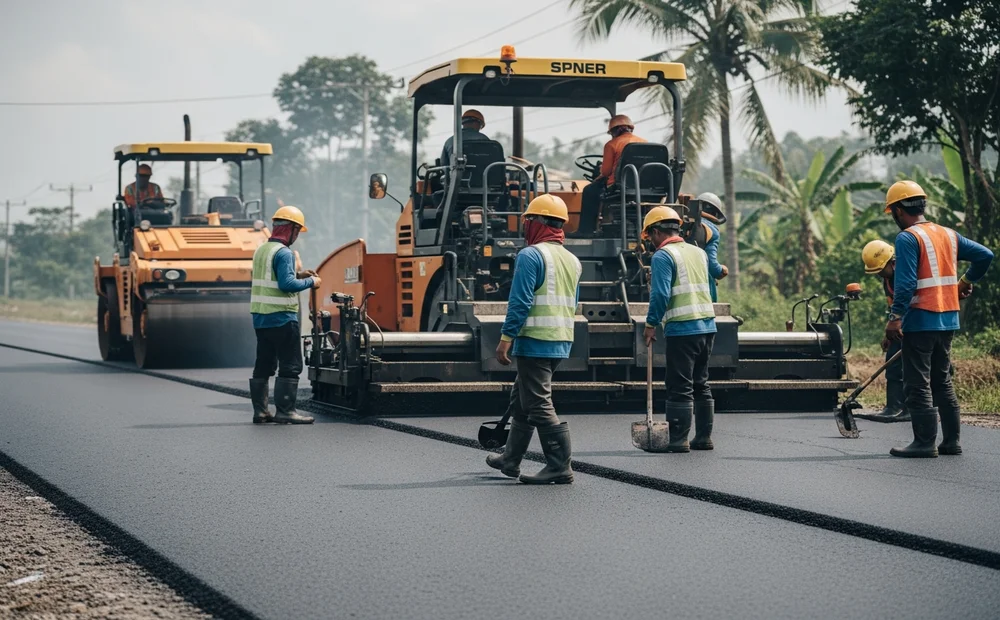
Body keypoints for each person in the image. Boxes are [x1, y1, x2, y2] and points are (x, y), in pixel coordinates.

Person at [883, 180, 993, 458]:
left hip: (920, 320)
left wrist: (895, 318)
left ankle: (924, 442)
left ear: (898, 210)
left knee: (917, 382)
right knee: (941, 380)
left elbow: (906, 284)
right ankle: (951, 442)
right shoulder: (948, 234)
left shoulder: (908, 238)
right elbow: (985, 255)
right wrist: (966, 281)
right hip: (948, 320)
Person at [487, 194, 582, 484]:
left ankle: (559, 465)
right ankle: (511, 459)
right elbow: (573, 302)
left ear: (537, 223)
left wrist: (506, 338)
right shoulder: (572, 260)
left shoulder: (531, 255)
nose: (525, 225)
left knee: (539, 403)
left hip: (535, 340)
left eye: (528, 220)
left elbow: (520, 301)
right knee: (522, 397)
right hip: (560, 340)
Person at [642, 206, 717, 452]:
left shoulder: (663, 256)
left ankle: (678, 440)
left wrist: (651, 324)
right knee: (700, 383)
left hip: (683, 329)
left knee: (679, 385)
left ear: (655, 231)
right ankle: (703, 438)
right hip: (707, 327)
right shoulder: (699, 253)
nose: (650, 242)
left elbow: (661, 294)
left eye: (649, 236)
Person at [249, 205, 322, 425]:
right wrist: (311, 282)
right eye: (297, 231)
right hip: (282, 318)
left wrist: (298, 273)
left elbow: (272, 277)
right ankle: (286, 411)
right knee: (290, 365)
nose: (297, 236)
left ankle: (261, 412)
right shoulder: (285, 253)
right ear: (290, 229)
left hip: (261, 319)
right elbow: (286, 284)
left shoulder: (262, 250)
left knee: (264, 364)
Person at [861, 239, 908, 421]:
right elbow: (892, 308)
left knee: (917, 367)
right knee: (893, 364)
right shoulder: (887, 281)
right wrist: (888, 334)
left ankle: (912, 408)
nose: (879, 274)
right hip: (899, 327)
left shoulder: (905, 274)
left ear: (891, 262)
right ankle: (893, 406)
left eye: (881, 269)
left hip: (915, 325)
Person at [578, 115, 646, 236]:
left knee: (589, 190)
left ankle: (586, 231)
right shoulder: (645, 143)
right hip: (643, 186)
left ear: (615, 131)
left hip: (619, 186)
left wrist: (597, 177)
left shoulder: (612, 144)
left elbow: (606, 172)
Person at [696, 192, 729, 302]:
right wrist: (722, 270)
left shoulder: (682, 223)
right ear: (715, 214)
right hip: (701, 286)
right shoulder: (712, 230)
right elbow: (712, 266)